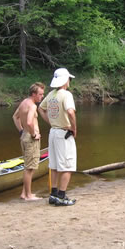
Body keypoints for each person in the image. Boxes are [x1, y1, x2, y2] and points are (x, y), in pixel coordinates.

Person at [38, 68, 77, 206]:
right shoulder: (66, 95)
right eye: (69, 79)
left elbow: (40, 109)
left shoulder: (51, 95)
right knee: (67, 166)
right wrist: (74, 128)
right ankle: (62, 196)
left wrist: (50, 121)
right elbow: (71, 113)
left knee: (54, 165)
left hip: (53, 132)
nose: (70, 81)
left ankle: (53, 194)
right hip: (63, 133)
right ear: (65, 80)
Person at [12, 82, 45, 201]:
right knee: (30, 168)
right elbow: (30, 122)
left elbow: (15, 117)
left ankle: (23, 193)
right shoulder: (32, 106)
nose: (42, 97)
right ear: (33, 94)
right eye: (40, 94)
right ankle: (28, 195)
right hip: (31, 138)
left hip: (24, 136)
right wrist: (33, 134)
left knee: (28, 165)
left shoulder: (23, 103)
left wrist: (21, 131)